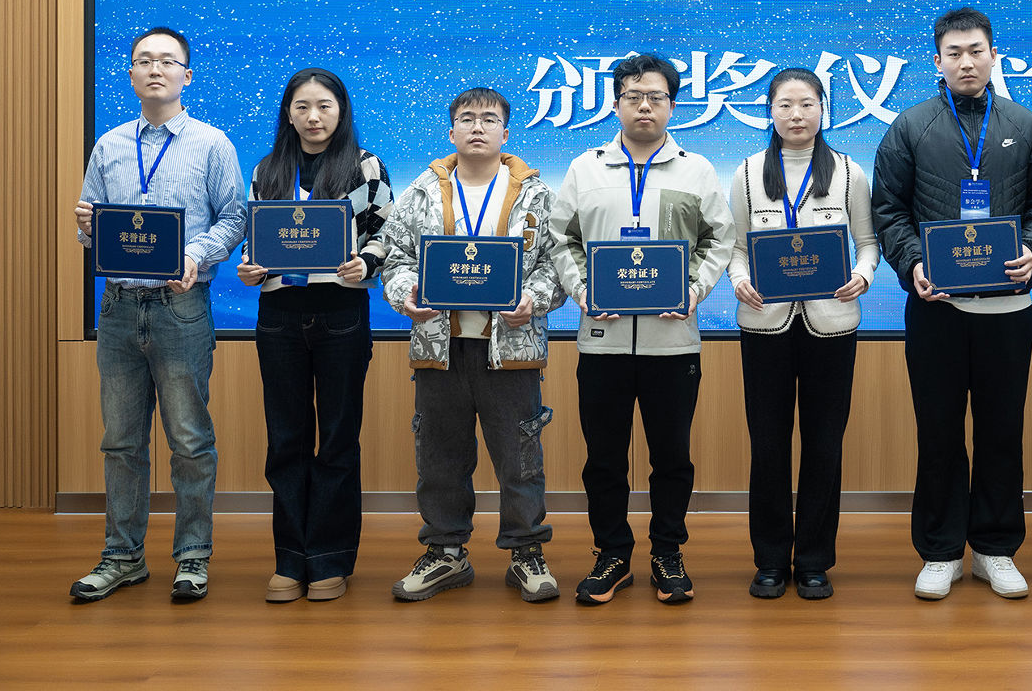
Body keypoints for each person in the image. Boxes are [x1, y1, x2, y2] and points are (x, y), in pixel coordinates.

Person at [871, 7, 1032, 601]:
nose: (966, 62)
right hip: (937, 309)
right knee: (938, 434)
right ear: (937, 60)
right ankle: (940, 551)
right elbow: (888, 210)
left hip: (1008, 310)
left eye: (976, 50)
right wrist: (913, 264)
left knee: (1002, 432)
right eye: (954, 53)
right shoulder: (911, 126)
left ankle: (995, 549)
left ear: (993, 55)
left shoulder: (1024, 124)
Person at [548, 53, 734, 605]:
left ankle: (667, 554)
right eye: (633, 96)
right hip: (601, 341)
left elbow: (719, 240)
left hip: (673, 343)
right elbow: (562, 240)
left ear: (672, 105)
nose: (644, 106)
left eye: (656, 96)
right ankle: (611, 554)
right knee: (603, 459)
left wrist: (693, 290)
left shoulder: (697, 170)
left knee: (671, 457)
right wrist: (584, 291)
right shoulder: (585, 168)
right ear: (616, 104)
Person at [70, 27, 247, 603]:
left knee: (190, 441)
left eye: (167, 61)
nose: (155, 69)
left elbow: (234, 219)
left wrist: (194, 255)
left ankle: (192, 556)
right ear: (130, 74)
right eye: (144, 60)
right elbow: (91, 228)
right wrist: (87, 226)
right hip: (119, 307)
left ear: (186, 75)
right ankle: (122, 557)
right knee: (121, 442)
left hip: (181, 307)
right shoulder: (109, 144)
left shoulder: (212, 143)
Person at [379, 88, 566, 602]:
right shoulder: (420, 191)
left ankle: (526, 552)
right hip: (439, 349)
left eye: (488, 119)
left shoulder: (536, 194)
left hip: (511, 350)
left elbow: (557, 264)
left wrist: (533, 298)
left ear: (506, 132)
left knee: (519, 457)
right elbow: (395, 259)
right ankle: (446, 552)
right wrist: (406, 294)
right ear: (451, 131)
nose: (477, 126)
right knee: (439, 456)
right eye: (466, 118)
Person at [235, 68, 394, 602]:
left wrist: (365, 264)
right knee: (286, 440)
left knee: (338, 440)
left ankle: (329, 558)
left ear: (341, 111)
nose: (313, 116)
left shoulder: (366, 166)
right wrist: (249, 267)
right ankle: (289, 558)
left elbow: (385, 236)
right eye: (302, 106)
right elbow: (256, 240)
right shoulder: (267, 169)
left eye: (324, 105)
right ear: (288, 113)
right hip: (279, 315)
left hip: (340, 312)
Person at [728, 68, 880, 601]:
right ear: (769, 111)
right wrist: (739, 280)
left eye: (808, 104)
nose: (797, 115)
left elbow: (867, 242)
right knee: (768, 445)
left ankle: (815, 560)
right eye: (785, 105)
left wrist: (863, 275)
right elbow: (737, 248)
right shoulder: (748, 172)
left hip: (832, 325)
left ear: (822, 109)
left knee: (824, 444)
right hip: (764, 324)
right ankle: (770, 560)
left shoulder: (849, 172)